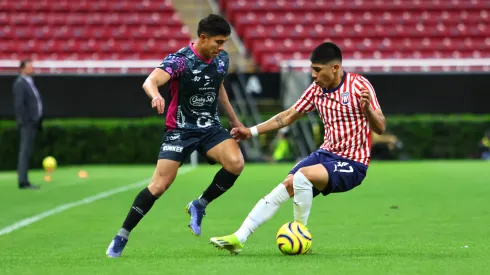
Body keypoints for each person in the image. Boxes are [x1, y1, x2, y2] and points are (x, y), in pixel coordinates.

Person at [210, 42, 386, 254]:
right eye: (312, 69)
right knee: (286, 185)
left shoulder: (359, 86)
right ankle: (239, 238)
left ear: (335, 68)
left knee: (302, 176)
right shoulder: (316, 91)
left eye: (317, 70)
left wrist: (367, 108)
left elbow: (380, 127)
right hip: (326, 154)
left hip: (352, 163)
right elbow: (287, 116)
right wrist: (251, 131)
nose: (313, 75)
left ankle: (300, 235)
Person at [106, 14, 244, 257]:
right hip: (180, 130)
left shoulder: (221, 58)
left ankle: (199, 205)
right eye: (218, 42)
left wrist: (234, 120)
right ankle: (122, 235)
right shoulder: (181, 61)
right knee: (159, 186)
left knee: (236, 163)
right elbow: (151, 81)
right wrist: (156, 95)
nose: (222, 48)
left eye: (224, 43)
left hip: (210, 127)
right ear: (203, 38)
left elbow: (218, 86)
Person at [12, 58, 43, 190]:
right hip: (27, 123)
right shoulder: (20, 83)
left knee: (27, 151)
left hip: (33, 122)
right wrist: (25, 121)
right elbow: (19, 105)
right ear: (22, 69)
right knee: (24, 151)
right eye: (29, 67)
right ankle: (23, 181)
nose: (32, 69)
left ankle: (24, 178)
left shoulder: (29, 82)